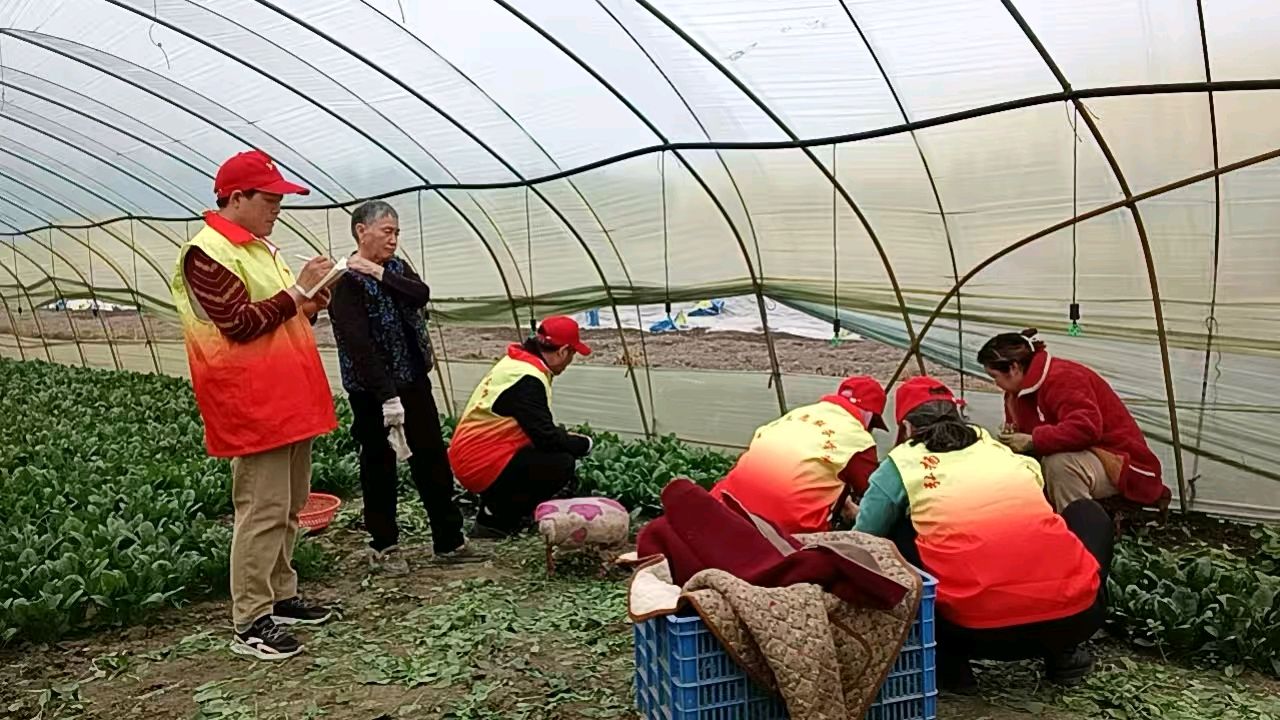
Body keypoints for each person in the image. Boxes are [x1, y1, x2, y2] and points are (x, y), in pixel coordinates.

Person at [170, 149, 338, 661]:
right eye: (269, 200)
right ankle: (250, 619)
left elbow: (278, 316)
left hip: (289, 396)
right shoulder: (207, 253)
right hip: (252, 401)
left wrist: (308, 304)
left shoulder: (260, 248)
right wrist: (297, 292)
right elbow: (238, 323)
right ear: (236, 197)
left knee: (289, 505)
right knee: (261, 509)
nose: (277, 209)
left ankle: (281, 596)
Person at [855, 376, 1112, 692]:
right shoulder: (1002, 451)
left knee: (896, 531)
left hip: (972, 633)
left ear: (906, 427)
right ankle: (1064, 652)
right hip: (1078, 619)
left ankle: (950, 666)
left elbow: (863, 537)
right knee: (1085, 513)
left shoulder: (901, 464)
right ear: (960, 416)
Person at [327, 200, 481, 574]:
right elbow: (359, 346)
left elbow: (420, 294)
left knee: (432, 458)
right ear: (361, 231)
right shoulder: (345, 281)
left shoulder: (395, 268)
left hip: (413, 381)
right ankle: (384, 546)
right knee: (379, 466)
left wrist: (378, 272)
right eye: (387, 231)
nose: (394, 239)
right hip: (371, 391)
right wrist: (386, 396)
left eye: (397, 232)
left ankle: (449, 540)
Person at [977, 328, 1169, 513]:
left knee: (1060, 464)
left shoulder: (1064, 377)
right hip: (1089, 458)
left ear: (1014, 367)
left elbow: (1086, 429)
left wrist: (1033, 440)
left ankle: (1078, 528)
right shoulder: (1016, 394)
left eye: (994, 376)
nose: (996, 383)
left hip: (1120, 461)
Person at [448, 316, 593, 538]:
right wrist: (583, 444)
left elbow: (535, 426)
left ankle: (501, 508)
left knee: (547, 454)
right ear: (563, 351)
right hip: (480, 463)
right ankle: (495, 518)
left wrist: (563, 437)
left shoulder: (517, 363)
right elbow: (546, 438)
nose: (569, 362)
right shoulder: (528, 379)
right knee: (560, 463)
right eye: (572, 354)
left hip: (472, 453)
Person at [709, 376, 887, 534]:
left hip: (726, 503)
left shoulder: (799, 413)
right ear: (869, 415)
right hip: (786, 527)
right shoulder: (859, 440)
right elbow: (874, 493)